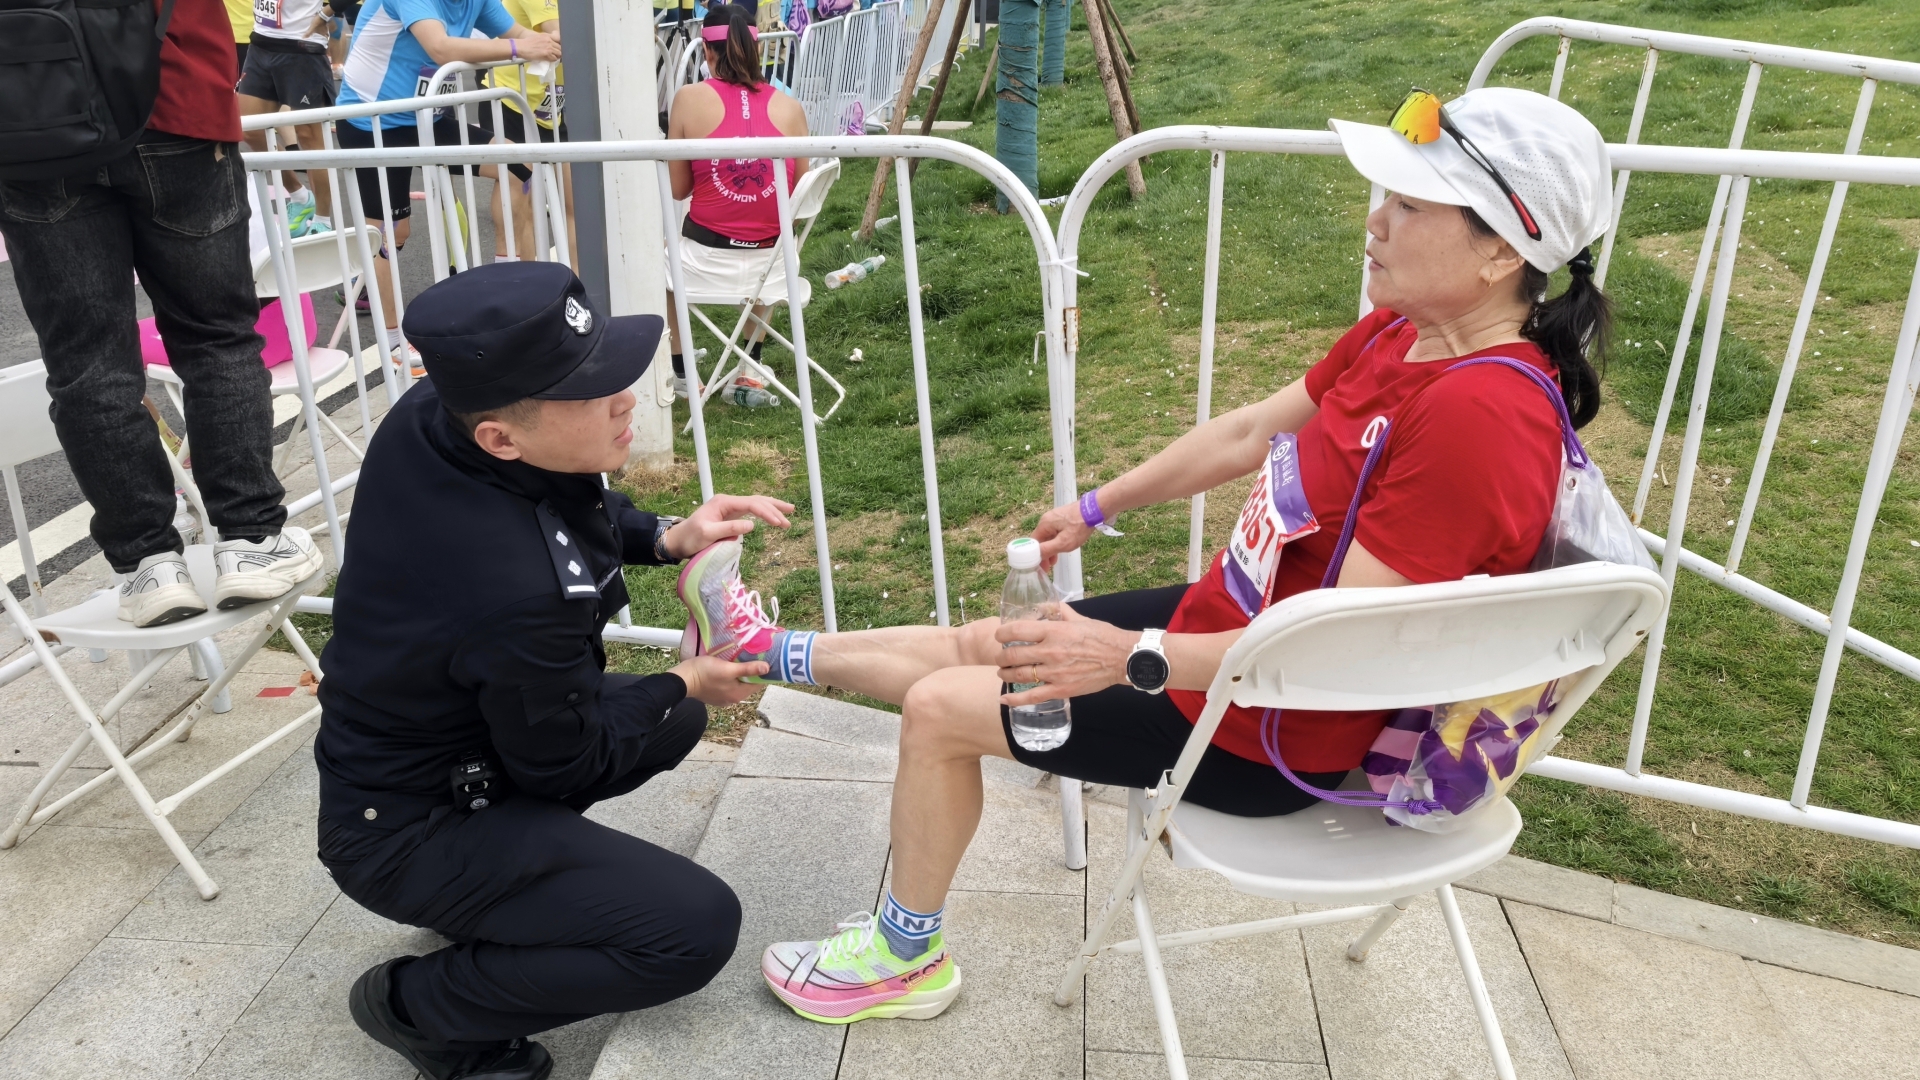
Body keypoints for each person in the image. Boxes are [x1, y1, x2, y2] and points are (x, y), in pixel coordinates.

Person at [669, 86, 1616, 1024]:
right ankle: (756, 651)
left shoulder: (1477, 415)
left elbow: (1341, 650)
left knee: (942, 709)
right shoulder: (1404, 334)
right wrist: (1098, 506)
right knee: (989, 643)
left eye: (1409, 204)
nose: (1375, 221)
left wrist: (1129, 656)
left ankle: (902, 959)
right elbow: (1249, 432)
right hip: (1230, 641)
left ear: (1501, 250)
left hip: (1265, 733)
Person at [316, 261, 793, 1080]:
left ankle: (508, 898)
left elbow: (566, 503)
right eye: (591, 392)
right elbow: (568, 761)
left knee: (669, 719)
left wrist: (666, 536)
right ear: (501, 436)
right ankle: (420, 1008)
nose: (626, 398)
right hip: (408, 827)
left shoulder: (441, 412)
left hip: (448, 751)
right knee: (692, 928)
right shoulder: (513, 590)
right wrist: (686, 679)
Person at [0, 0, 324, 628]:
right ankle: (251, 539)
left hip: (34, 121)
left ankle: (148, 564)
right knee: (215, 337)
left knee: (87, 365)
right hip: (176, 104)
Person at [333, 0, 562, 367]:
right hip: (373, 122)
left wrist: (552, 40)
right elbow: (440, 47)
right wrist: (521, 47)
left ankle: (506, 291)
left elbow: (520, 33)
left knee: (517, 163)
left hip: (428, 119)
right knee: (391, 232)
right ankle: (393, 340)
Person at [664, 2, 808, 403]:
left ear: (707, 53)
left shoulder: (688, 100)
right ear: (756, 48)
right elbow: (799, 195)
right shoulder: (791, 108)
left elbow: (678, 189)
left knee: (662, 266)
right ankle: (750, 363)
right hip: (773, 267)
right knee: (774, 240)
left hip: (703, 264)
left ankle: (682, 372)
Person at [476, 0, 576, 265]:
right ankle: (521, 280)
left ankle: (579, 284)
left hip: (550, 108)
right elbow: (562, 35)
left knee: (576, 204)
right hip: (510, 101)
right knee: (523, 206)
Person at [237, 0, 342, 235]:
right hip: (260, 43)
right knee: (250, 131)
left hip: (303, 47)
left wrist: (327, 13)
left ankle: (322, 221)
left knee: (310, 138)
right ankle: (299, 195)